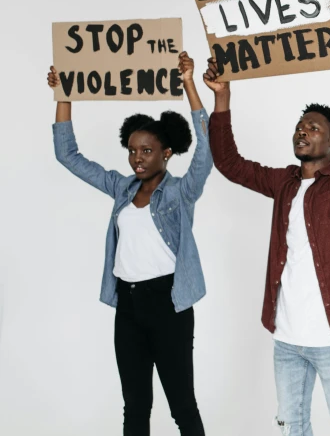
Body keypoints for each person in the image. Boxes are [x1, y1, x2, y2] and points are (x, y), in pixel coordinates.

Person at [206, 36, 330, 436]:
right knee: (291, 427)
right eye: (301, 126)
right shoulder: (283, 182)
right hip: (286, 339)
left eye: (314, 128)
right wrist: (222, 98)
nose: (303, 131)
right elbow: (230, 164)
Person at [49, 52, 213, 436]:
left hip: (169, 306)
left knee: (182, 407)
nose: (137, 158)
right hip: (128, 305)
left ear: (167, 152)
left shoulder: (180, 193)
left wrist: (189, 84)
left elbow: (206, 153)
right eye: (133, 150)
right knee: (135, 408)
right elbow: (67, 155)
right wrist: (64, 94)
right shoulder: (121, 188)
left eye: (147, 151)